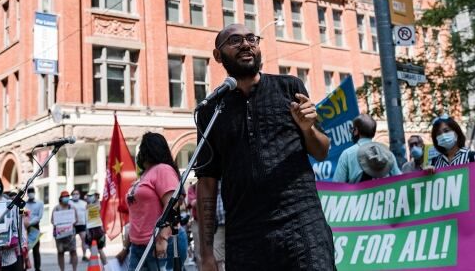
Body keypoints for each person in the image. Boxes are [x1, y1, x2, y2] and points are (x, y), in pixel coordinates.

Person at [196, 24, 335, 270]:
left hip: (302, 225)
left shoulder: (289, 87)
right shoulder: (211, 110)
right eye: (235, 40)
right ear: (218, 55)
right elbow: (207, 182)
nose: (246, 44)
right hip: (244, 236)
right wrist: (206, 252)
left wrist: (307, 128)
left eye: (251, 38)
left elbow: (321, 150)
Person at [126, 132, 187, 270]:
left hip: (160, 244)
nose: (139, 153)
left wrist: (163, 237)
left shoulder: (163, 169)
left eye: (142, 148)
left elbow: (172, 204)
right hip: (138, 247)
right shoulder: (145, 175)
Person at [333, 114, 401, 183]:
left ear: (356, 131)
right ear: (374, 133)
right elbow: (400, 181)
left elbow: (337, 186)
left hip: (357, 193)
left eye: (352, 129)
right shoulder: (388, 154)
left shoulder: (347, 154)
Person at [52, 191, 78, 271]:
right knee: (60, 252)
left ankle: (74, 269)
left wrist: (72, 223)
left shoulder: (72, 208)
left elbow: (76, 219)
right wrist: (59, 224)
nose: (66, 198)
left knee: (73, 251)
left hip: (70, 234)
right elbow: (52, 221)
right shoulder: (56, 208)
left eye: (67, 196)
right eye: (64, 196)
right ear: (61, 198)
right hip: (60, 234)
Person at [84, 190, 107, 264]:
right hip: (90, 231)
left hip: (99, 230)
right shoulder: (87, 206)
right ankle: (96, 266)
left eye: (91, 196)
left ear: (97, 196)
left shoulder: (101, 204)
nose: (90, 197)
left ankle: (106, 267)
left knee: (100, 250)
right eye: (89, 196)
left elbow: (103, 215)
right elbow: (86, 219)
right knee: (92, 251)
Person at [25, 187, 43, 271]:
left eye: (32, 192)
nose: (31, 193)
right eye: (29, 192)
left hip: (35, 227)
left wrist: (30, 223)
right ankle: (24, 266)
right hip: (25, 227)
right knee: (24, 248)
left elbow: (39, 216)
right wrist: (26, 224)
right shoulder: (24, 203)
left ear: (35, 193)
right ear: (27, 193)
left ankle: (37, 268)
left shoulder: (40, 203)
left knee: (36, 249)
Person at [68, 189, 88, 261]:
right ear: (72, 195)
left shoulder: (84, 203)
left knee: (83, 240)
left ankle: (84, 255)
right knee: (72, 241)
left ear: (79, 195)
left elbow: (87, 214)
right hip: (72, 225)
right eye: (74, 194)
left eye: (77, 194)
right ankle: (72, 257)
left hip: (82, 224)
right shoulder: (68, 203)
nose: (76, 195)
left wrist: (87, 224)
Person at [185, 183, 200, 266]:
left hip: (214, 222)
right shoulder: (193, 187)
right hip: (197, 221)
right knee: (199, 252)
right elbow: (193, 203)